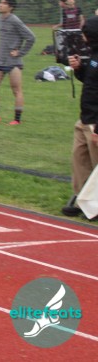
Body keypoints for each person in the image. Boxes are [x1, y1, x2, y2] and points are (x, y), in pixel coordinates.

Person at [0, 0, 36, 125]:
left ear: (11, 7)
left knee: (16, 90)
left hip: (13, 62)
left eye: (4, 3)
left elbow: (31, 37)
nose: (0, 5)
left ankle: (17, 120)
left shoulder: (15, 20)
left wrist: (20, 52)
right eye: (0, 2)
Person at [63, 15, 98, 218]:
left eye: (85, 33)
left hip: (95, 121)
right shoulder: (94, 55)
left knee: (96, 164)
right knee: (79, 159)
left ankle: (94, 204)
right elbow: (91, 82)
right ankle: (81, 199)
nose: (82, 37)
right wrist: (79, 69)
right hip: (85, 117)